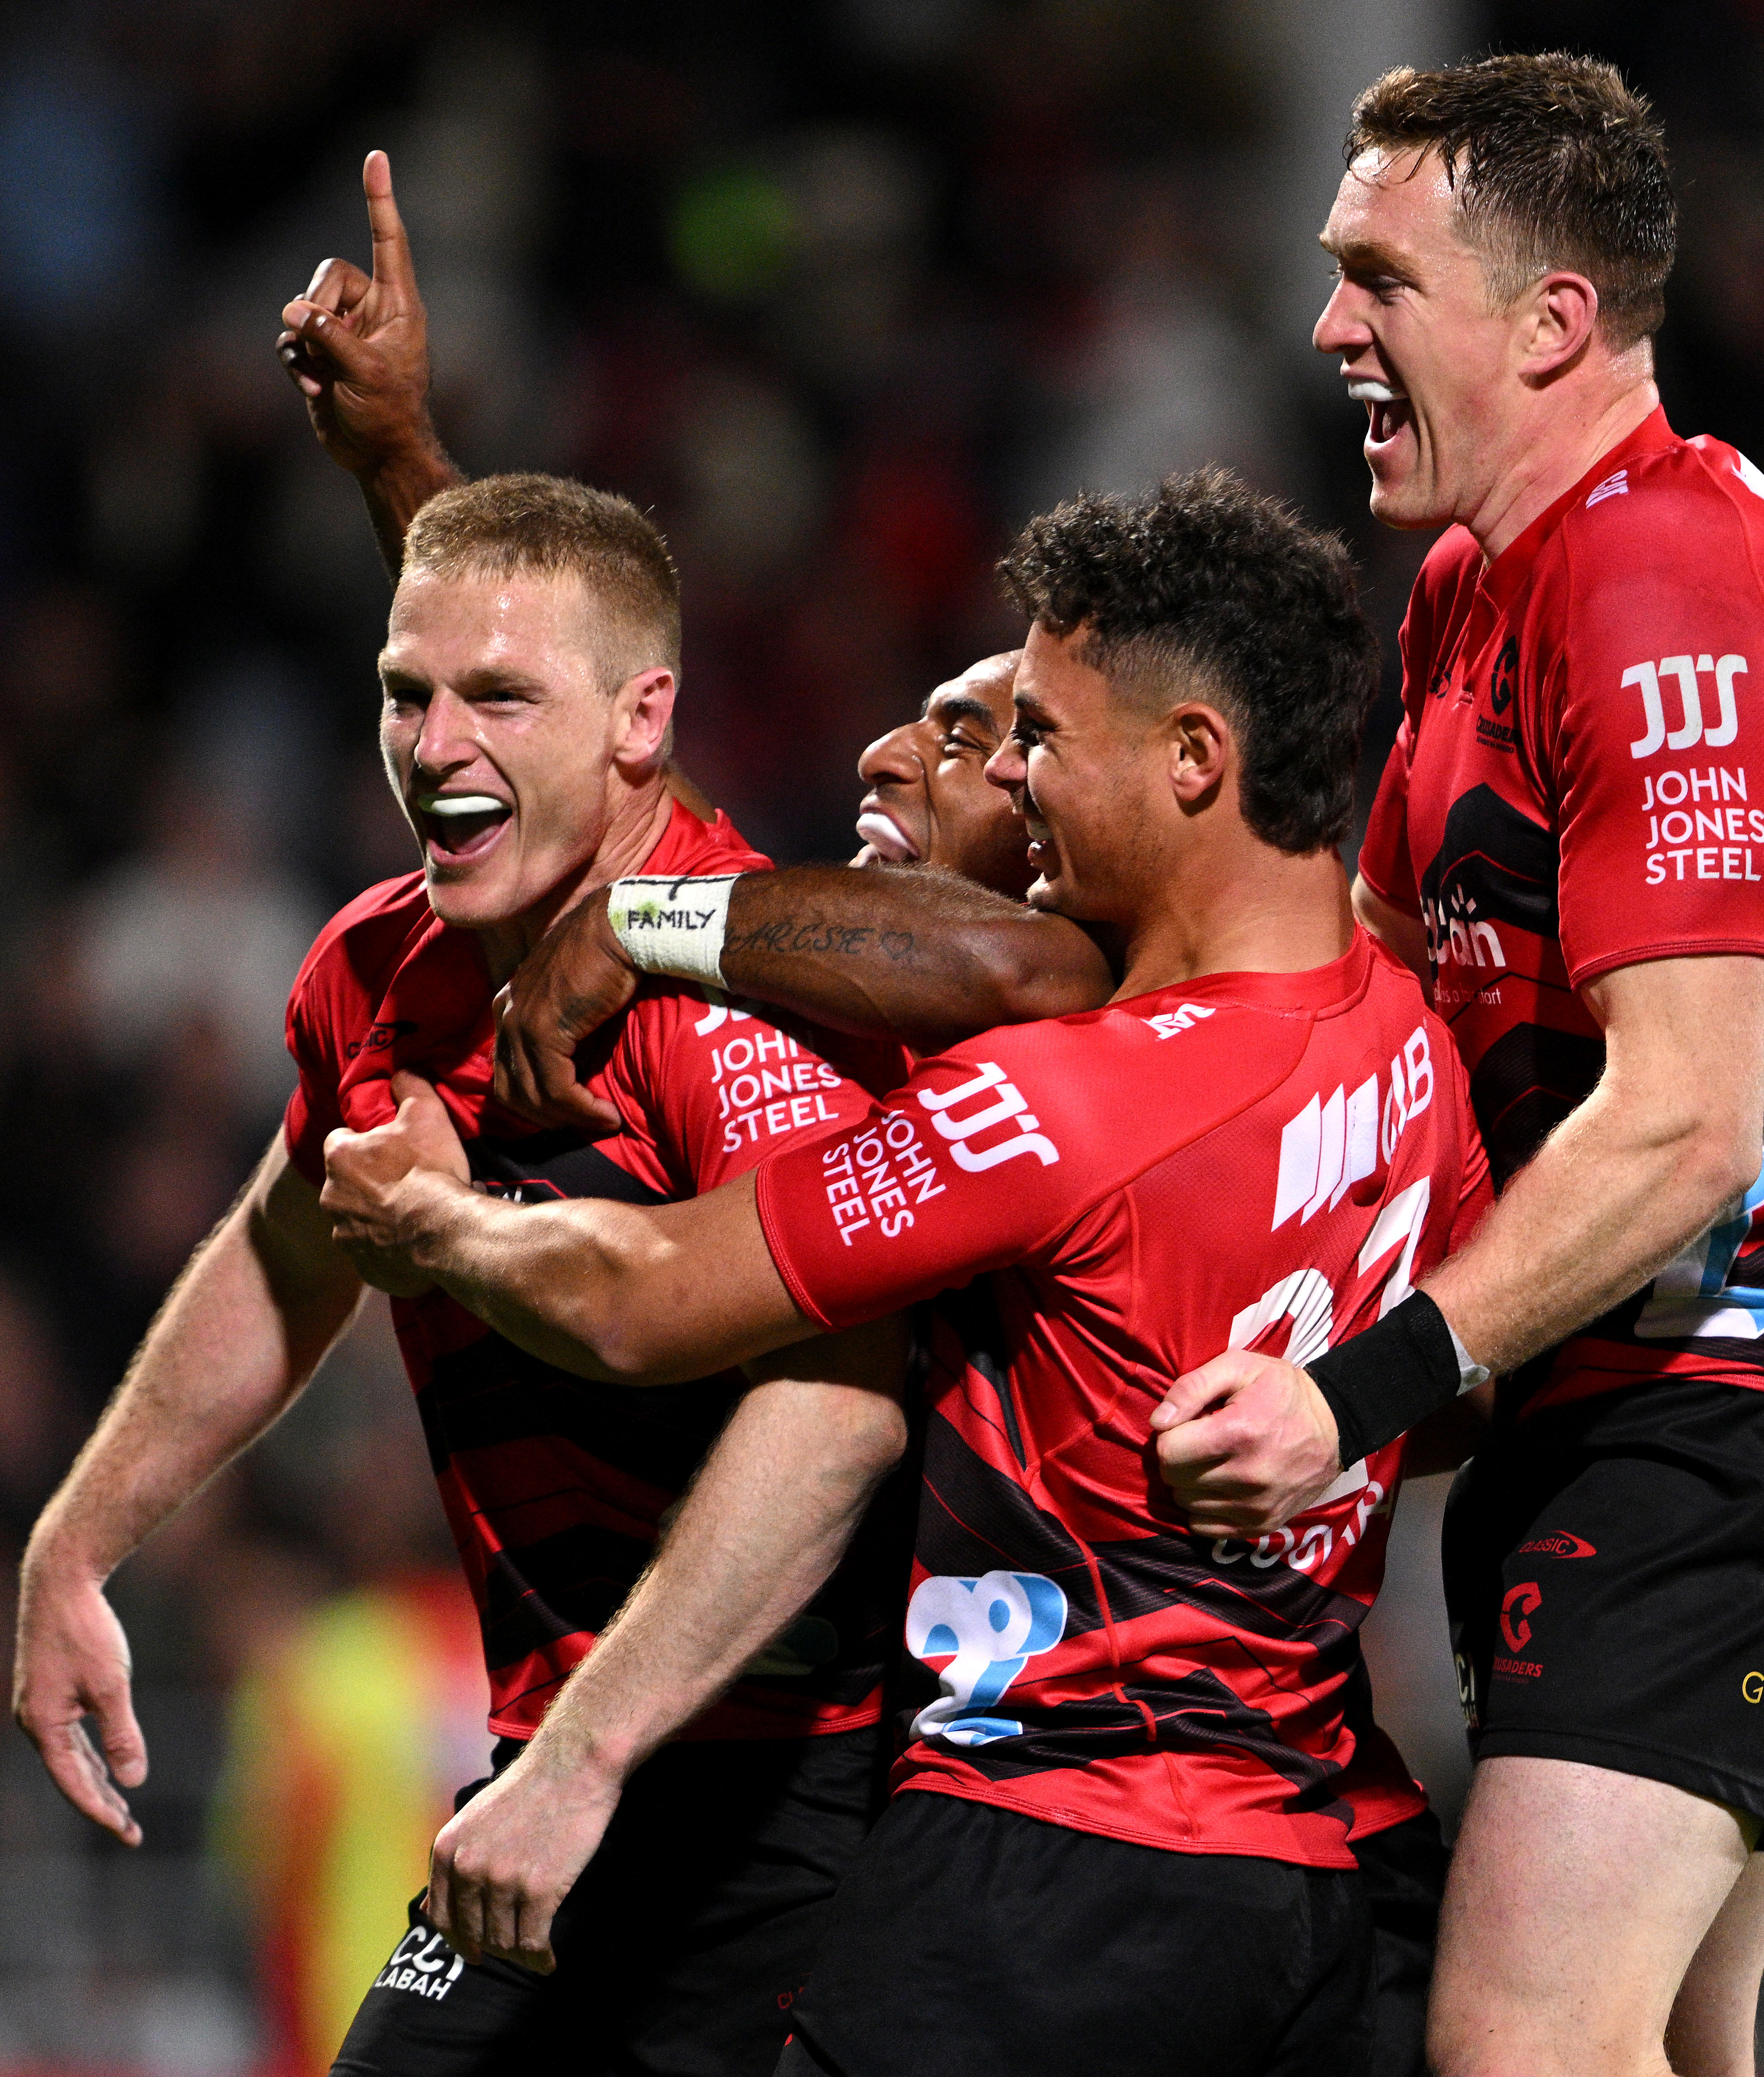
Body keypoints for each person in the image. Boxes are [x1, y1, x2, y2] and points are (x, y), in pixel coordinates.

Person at [288, 155, 1462, 2077]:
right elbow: (589, 774)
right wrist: (405, 464)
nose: (912, 750)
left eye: (1009, 736)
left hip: (988, 1836)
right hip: (1298, 1840)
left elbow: (665, 1273)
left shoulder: (1043, 1068)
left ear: (1176, 775)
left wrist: (439, 1231)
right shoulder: (1381, 1032)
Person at [1142, 53, 1764, 2077]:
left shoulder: (1653, 580)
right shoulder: (1474, 590)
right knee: (1677, 2043)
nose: (1330, 323)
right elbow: (1384, 1010)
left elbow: (1689, 1122)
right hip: (1621, 1402)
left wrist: (1354, 1395)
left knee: (1518, 2044)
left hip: (1744, 1399)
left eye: (1377, 279)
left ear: (1552, 322)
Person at [10, 471, 931, 2077]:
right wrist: (78, 1544)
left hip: (804, 1798)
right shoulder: (375, 969)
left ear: (642, 721)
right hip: (549, 1779)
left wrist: (584, 1758)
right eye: (405, 693)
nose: (436, 748)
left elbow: (839, 1418)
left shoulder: (737, 1000)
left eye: (501, 695)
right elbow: (289, 1253)